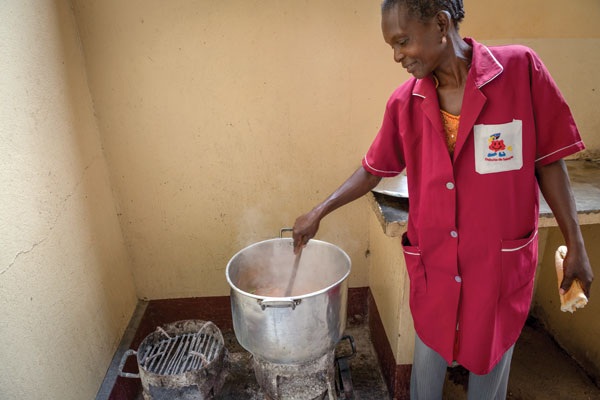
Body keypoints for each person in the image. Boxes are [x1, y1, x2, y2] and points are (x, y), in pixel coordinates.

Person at [292, 0, 594, 399]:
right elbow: (373, 169)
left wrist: (576, 243)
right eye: (392, 47)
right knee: (428, 362)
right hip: (435, 265)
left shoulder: (520, 70)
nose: (397, 56)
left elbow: (549, 161)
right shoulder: (405, 102)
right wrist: (319, 211)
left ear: (440, 23)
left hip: (497, 267)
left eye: (402, 41)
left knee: (491, 365)